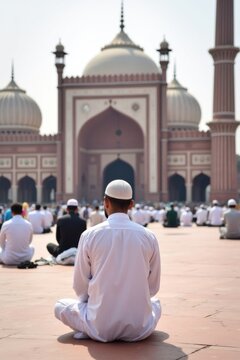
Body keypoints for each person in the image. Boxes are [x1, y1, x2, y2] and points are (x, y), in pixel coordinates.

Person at [54, 179, 161, 342]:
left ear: (105, 202)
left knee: (60, 306)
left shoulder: (90, 235)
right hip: (140, 329)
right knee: (156, 303)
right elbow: (153, 287)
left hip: (99, 327)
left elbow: (80, 285)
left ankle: (86, 328)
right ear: (131, 204)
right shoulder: (148, 236)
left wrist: (92, 305)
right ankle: (89, 326)